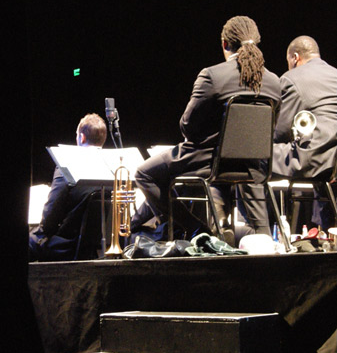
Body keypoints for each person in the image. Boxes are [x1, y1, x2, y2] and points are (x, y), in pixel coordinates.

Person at [134, 16, 281, 243]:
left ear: (224, 44)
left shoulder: (213, 76)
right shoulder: (274, 82)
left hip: (209, 159)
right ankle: (253, 236)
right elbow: (270, 128)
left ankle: (196, 229)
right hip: (253, 165)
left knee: (144, 174)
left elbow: (188, 126)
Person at [273, 36, 337, 230]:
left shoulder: (292, 78)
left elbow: (279, 132)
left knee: (254, 158)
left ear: (294, 58)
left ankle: (259, 230)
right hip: (334, 160)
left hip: (316, 157)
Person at [29, 113, 108, 261]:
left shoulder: (67, 165)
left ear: (82, 137)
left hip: (66, 246)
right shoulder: (112, 168)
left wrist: (39, 231)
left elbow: (50, 217)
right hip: (97, 248)